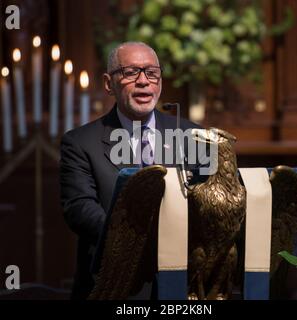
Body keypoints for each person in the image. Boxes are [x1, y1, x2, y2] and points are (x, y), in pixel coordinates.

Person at [60, 41, 202, 300]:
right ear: (108, 83)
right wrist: (136, 241)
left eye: (151, 72)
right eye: (130, 72)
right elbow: (79, 208)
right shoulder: (80, 143)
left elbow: (207, 202)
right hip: (111, 284)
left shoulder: (192, 136)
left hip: (180, 287)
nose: (143, 81)